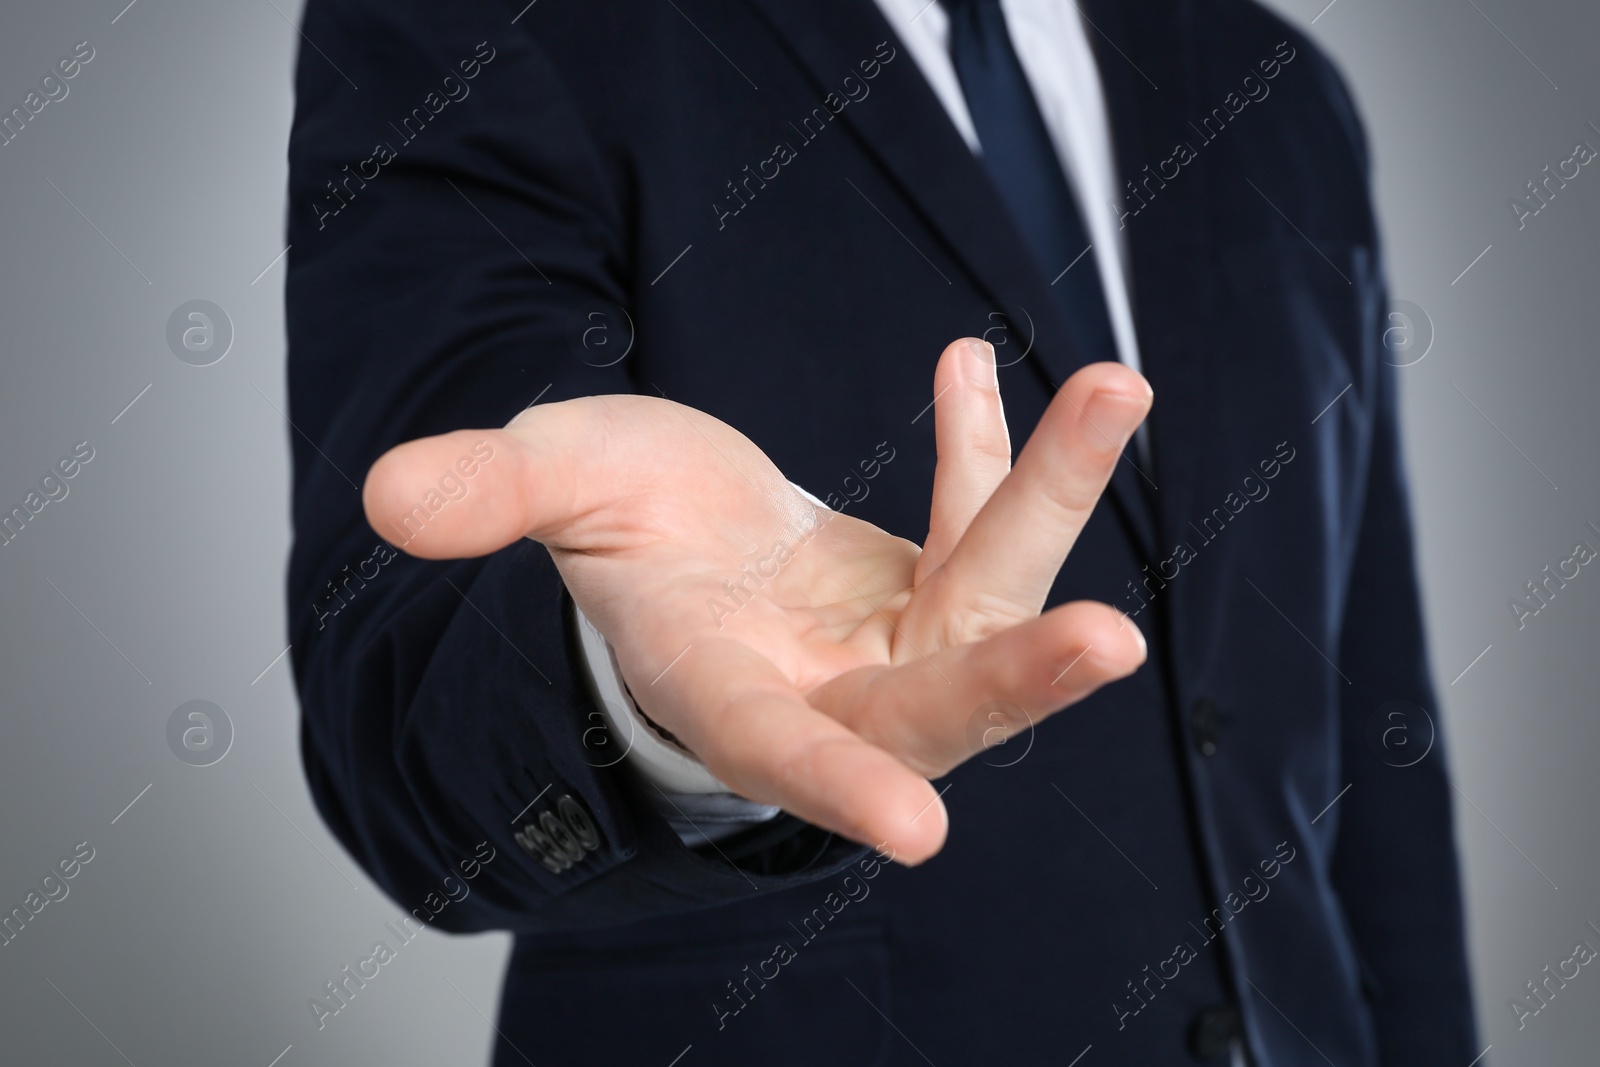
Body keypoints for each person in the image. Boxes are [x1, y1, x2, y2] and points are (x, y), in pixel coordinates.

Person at [284, 0, 1478, 1062]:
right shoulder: (493, 24)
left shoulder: (1278, 90)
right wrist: (647, 704)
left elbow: (1372, 725)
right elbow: (393, 712)